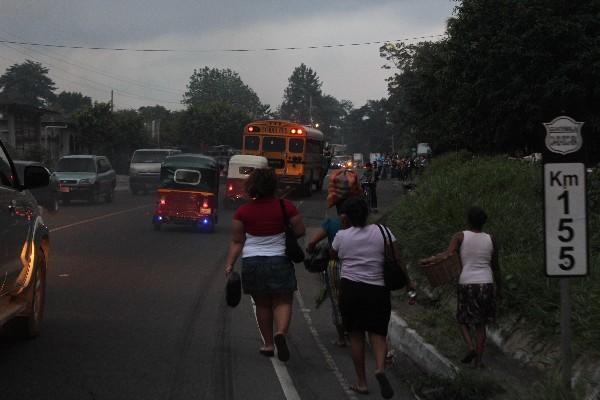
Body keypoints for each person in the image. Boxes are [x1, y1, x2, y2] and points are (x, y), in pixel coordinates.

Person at [331, 197, 414, 399]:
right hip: (377, 290)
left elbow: (333, 256)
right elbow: (398, 259)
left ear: (347, 216)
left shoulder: (342, 236)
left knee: (356, 337)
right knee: (378, 334)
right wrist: (410, 283)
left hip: (350, 290)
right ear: (367, 214)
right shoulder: (383, 232)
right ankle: (379, 368)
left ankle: (361, 382)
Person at [225, 168, 306, 361]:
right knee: (283, 300)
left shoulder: (242, 211)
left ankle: (268, 344)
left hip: (252, 261)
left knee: (262, 304)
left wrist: (229, 265)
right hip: (279, 260)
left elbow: (237, 241)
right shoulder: (286, 207)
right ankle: (281, 333)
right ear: (273, 185)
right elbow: (300, 230)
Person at [446, 206, 501, 369]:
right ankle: (478, 362)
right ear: (484, 222)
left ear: (468, 220)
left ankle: (470, 347)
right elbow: (496, 266)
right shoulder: (491, 238)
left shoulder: (460, 236)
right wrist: (500, 288)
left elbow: (448, 256)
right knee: (481, 325)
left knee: (462, 319)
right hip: (487, 284)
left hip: (467, 283)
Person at [306, 199, 349, 347]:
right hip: (358, 266)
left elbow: (312, 242)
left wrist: (311, 251)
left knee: (337, 301)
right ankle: (354, 331)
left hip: (335, 266)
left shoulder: (331, 223)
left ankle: (341, 338)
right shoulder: (364, 227)